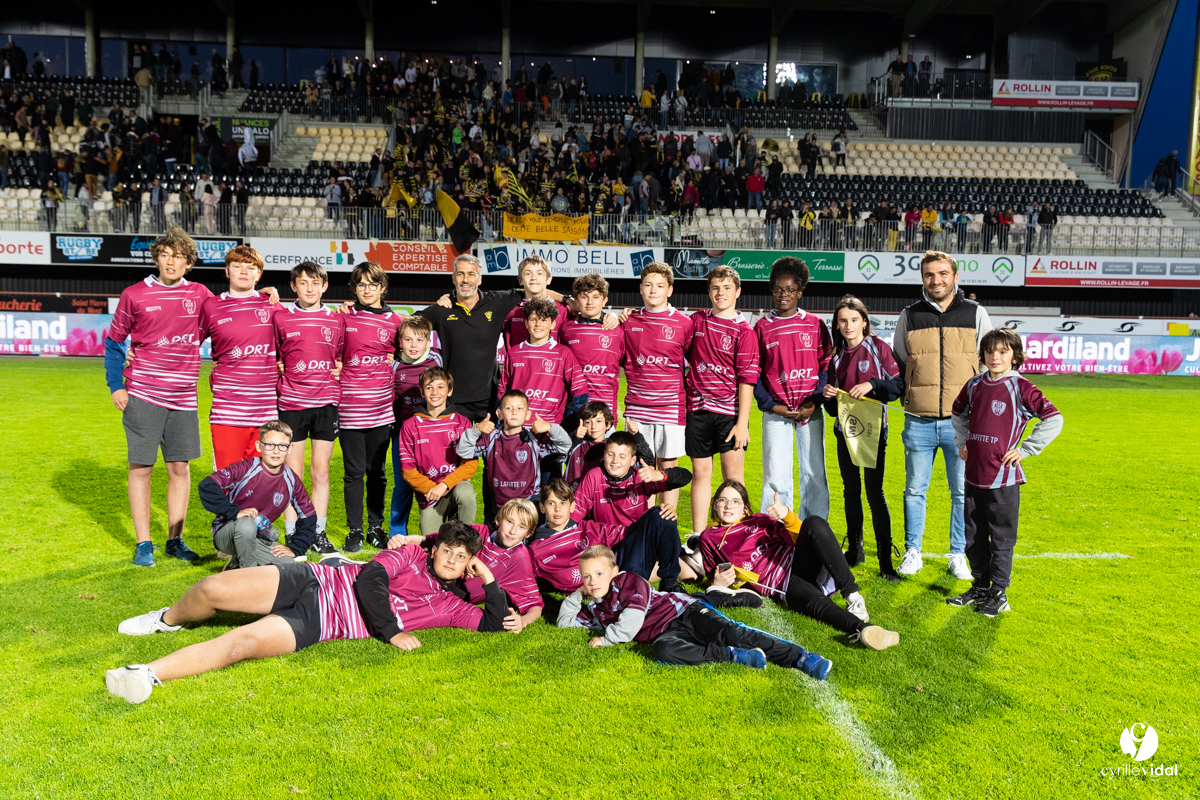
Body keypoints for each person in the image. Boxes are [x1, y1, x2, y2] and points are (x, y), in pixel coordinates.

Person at [105, 522, 509, 704]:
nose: (454, 561)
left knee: (241, 644)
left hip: (323, 622)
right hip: (312, 579)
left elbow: (492, 624)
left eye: (463, 558)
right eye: (449, 552)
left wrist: (488, 579)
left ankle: (146, 673)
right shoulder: (410, 553)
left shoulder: (452, 607)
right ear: (435, 548)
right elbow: (370, 581)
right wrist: (391, 631)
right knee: (212, 590)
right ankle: (167, 620)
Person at [104, 229, 216, 566]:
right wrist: (116, 385)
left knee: (180, 468)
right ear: (157, 257)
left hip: (184, 397)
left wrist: (265, 296)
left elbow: (230, 318)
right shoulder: (134, 295)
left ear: (189, 263)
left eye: (179, 256)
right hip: (143, 394)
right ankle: (143, 544)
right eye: (166, 254)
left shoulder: (201, 295)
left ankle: (175, 540)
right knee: (141, 469)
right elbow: (114, 342)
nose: (172, 261)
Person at [557, 543, 834, 678]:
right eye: (586, 577)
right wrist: (577, 594)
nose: (593, 582)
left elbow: (630, 624)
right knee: (663, 651)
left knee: (732, 632)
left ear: (614, 572)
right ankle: (732, 656)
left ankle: (801, 658)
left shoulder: (630, 580)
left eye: (598, 574)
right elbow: (564, 623)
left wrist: (606, 639)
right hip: (664, 634)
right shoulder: (595, 609)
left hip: (684, 612)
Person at [695, 481, 901, 650]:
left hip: (799, 561)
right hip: (783, 585)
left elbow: (800, 537)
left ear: (745, 507)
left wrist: (787, 515)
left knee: (814, 523)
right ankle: (868, 630)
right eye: (723, 500)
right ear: (714, 504)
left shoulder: (759, 520)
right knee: (817, 605)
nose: (728, 506)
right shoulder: (708, 537)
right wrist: (718, 582)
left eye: (735, 501)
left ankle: (853, 596)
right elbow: (713, 580)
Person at [948, 328, 1063, 616]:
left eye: (1002, 351)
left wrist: (1026, 449)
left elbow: (1054, 418)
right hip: (973, 474)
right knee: (973, 536)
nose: (995, 356)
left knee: (1001, 538)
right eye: (990, 351)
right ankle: (981, 587)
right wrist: (962, 441)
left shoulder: (1021, 387)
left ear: (1015, 356)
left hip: (1003, 478)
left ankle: (999, 594)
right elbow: (957, 412)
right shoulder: (975, 384)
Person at [892, 251, 992, 581]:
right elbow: (902, 360)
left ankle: (958, 553)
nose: (936, 280)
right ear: (923, 279)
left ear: (955, 276)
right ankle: (913, 551)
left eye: (943, 273)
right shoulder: (909, 315)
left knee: (961, 492)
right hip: (918, 419)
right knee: (914, 491)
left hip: (960, 423)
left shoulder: (976, 313)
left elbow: (986, 362)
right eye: (930, 275)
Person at [821, 296, 903, 579]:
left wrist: (873, 384)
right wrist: (828, 397)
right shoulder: (836, 357)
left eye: (854, 320)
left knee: (874, 492)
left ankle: (885, 563)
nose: (848, 325)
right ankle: (855, 550)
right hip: (845, 432)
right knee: (850, 490)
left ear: (864, 322)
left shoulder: (879, 347)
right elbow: (833, 410)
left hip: (873, 432)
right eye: (843, 321)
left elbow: (897, 387)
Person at [274, 262, 345, 558]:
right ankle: (293, 535)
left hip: (325, 403)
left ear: (324, 286)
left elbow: (340, 357)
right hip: (292, 404)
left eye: (315, 282)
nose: (310, 288)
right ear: (294, 287)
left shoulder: (336, 320)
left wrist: (339, 368)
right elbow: (273, 354)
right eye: (303, 283)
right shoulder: (280, 317)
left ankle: (317, 532)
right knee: (293, 473)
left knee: (320, 471)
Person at [684, 265, 759, 542]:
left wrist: (742, 423)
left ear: (738, 292)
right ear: (708, 291)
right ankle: (698, 536)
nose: (720, 293)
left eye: (727, 287)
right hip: (698, 411)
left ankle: (736, 536)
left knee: (733, 478)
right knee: (701, 474)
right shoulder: (697, 321)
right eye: (715, 287)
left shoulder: (744, 331)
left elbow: (747, 380)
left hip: (729, 416)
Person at [753, 257, 832, 520]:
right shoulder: (762, 327)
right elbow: (755, 373)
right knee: (775, 475)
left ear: (799, 292)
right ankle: (776, 529)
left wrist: (814, 401)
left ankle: (814, 529)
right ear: (772, 291)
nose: (783, 295)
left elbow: (826, 365)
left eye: (789, 290)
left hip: (810, 411)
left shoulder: (815, 323)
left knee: (814, 473)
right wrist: (771, 405)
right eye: (778, 289)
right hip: (777, 413)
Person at [396, 498, 544, 632]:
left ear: (529, 533)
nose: (512, 531)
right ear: (498, 519)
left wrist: (522, 621)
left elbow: (535, 604)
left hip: (445, 596)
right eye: (510, 522)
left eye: (521, 527)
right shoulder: (479, 531)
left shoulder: (519, 558)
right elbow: (427, 540)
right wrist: (402, 540)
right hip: (428, 573)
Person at [337, 262, 403, 552]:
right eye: (361, 284)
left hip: (380, 411)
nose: (367, 290)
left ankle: (376, 528)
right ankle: (355, 530)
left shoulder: (395, 322)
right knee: (353, 473)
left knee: (377, 472)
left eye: (372, 284)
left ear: (383, 287)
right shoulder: (343, 317)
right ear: (354, 288)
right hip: (349, 408)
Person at [197, 246, 279, 470]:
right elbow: (188, 343)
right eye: (237, 266)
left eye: (250, 267)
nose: (244, 272)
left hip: (267, 411)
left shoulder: (272, 306)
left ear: (259, 274)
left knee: (261, 482)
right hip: (228, 411)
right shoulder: (211, 306)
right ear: (227, 271)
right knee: (227, 481)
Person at [532, 477, 686, 596]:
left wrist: (656, 518)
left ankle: (670, 583)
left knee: (661, 514)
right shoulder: (535, 550)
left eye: (563, 503)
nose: (558, 509)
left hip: (621, 568)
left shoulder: (588, 527)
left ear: (572, 506)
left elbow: (629, 533)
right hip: (608, 585)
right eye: (551, 503)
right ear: (542, 507)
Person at [619, 262, 693, 508]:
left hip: (670, 408)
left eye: (660, 285)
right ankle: (645, 524)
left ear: (670, 290)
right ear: (640, 288)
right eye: (648, 285)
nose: (653, 290)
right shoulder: (628, 322)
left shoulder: (684, 324)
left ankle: (667, 525)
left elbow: (694, 362)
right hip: (638, 410)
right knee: (643, 467)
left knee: (668, 467)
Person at [418, 255, 525, 423]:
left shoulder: (496, 301)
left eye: (471, 274)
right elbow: (406, 324)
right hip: (454, 398)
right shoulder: (441, 310)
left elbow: (535, 291)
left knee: (490, 449)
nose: (465, 279)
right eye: (460, 274)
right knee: (458, 449)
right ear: (453, 278)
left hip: (489, 399)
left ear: (479, 278)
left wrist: (565, 298)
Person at [198, 421, 318, 569]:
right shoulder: (245, 468)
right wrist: (234, 512)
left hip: (259, 538)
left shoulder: (291, 479)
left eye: (282, 446)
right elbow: (207, 485)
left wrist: (296, 548)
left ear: (290, 448)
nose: (276, 451)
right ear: (259, 446)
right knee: (247, 524)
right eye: (269, 445)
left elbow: (309, 515)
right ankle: (248, 573)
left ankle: (235, 565)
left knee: (288, 567)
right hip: (228, 533)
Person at [457, 390, 571, 508]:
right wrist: (476, 430)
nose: (514, 412)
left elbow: (565, 446)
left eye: (520, 408)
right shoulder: (490, 438)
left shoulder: (534, 439)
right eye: (508, 408)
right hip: (500, 505)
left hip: (529, 501)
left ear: (528, 414)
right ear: (499, 414)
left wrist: (550, 427)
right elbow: (463, 451)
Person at [398, 367, 477, 533]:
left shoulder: (462, 423)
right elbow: (408, 471)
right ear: (421, 392)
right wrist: (431, 488)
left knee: (466, 494)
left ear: (450, 391)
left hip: (454, 486)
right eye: (429, 387)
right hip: (429, 494)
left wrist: (444, 485)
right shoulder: (409, 426)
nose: (435, 392)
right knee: (432, 545)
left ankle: (466, 538)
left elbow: (469, 466)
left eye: (441, 387)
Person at [497, 298, 588, 428]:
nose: (538, 324)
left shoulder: (564, 354)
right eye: (533, 319)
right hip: (517, 429)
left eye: (544, 320)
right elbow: (502, 392)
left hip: (549, 429)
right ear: (526, 323)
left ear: (552, 324)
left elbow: (580, 391)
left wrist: (566, 426)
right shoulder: (514, 353)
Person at [389, 315, 442, 539]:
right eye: (408, 340)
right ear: (400, 342)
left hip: (432, 435)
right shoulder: (393, 363)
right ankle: (397, 533)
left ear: (429, 342)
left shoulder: (438, 360)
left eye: (419, 340)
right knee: (402, 484)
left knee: (436, 481)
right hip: (403, 435)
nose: (413, 345)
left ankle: (440, 531)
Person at [558, 274, 625, 428]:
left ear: (605, 301)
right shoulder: (566, 329)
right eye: (584, 297)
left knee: (602, 452)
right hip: (574, 408)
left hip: (605, 409)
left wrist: (617, 314)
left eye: (596, 297)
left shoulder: (617, 331)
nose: (589, 302)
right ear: (576, 300)